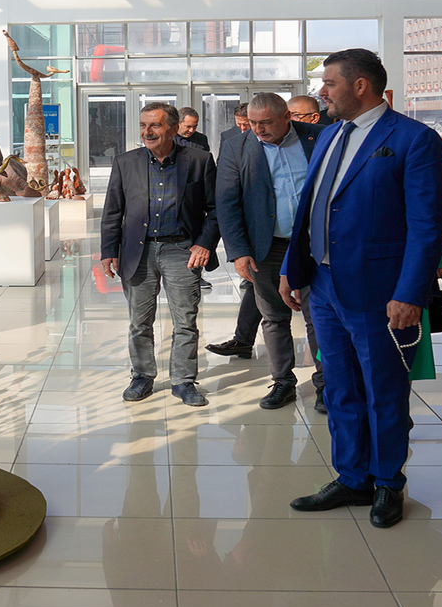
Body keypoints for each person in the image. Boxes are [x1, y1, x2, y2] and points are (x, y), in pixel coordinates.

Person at [281, 48, 442, 529]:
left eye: (329, 83)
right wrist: (293, 268)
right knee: (339, 387)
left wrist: (410, 293)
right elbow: (311, 207)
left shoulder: (414, 139)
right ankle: (353, 477)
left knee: (383, 390)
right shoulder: (330, 134)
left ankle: (388, 482)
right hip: (324, 286)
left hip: (380, 291)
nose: (321, 92)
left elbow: (428, 226)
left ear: (360, 86)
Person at [100, 103, 220, 407]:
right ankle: (142, 375)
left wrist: (204, 244)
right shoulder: (125, 162)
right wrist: (108, 251)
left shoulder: (199, 160)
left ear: (174, 128)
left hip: (182, 251)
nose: (147, 132)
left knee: (185, 321)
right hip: (138, 252)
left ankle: (183, 380)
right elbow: (112, 211)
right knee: (139, 322)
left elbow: (216, 209)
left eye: (155, 125)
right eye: (143, 125)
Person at [216, 93, 326, 410]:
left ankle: (326, 385)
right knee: (273, 318)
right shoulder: (236, 147)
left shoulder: (319, 137)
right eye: (253, 123)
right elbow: (227, 203)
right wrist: (238, 251)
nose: (258, 129)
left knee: (318, 317)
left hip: (314, 245)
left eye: (265, 122)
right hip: (268, 247)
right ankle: (282, 383)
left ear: (286, 117)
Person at [208, 102, 265, 362]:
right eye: (241, 124)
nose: (245, 129)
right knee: (258, 285)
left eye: (248, 124)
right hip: (253, 225)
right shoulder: (230, 139)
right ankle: (243, 341)